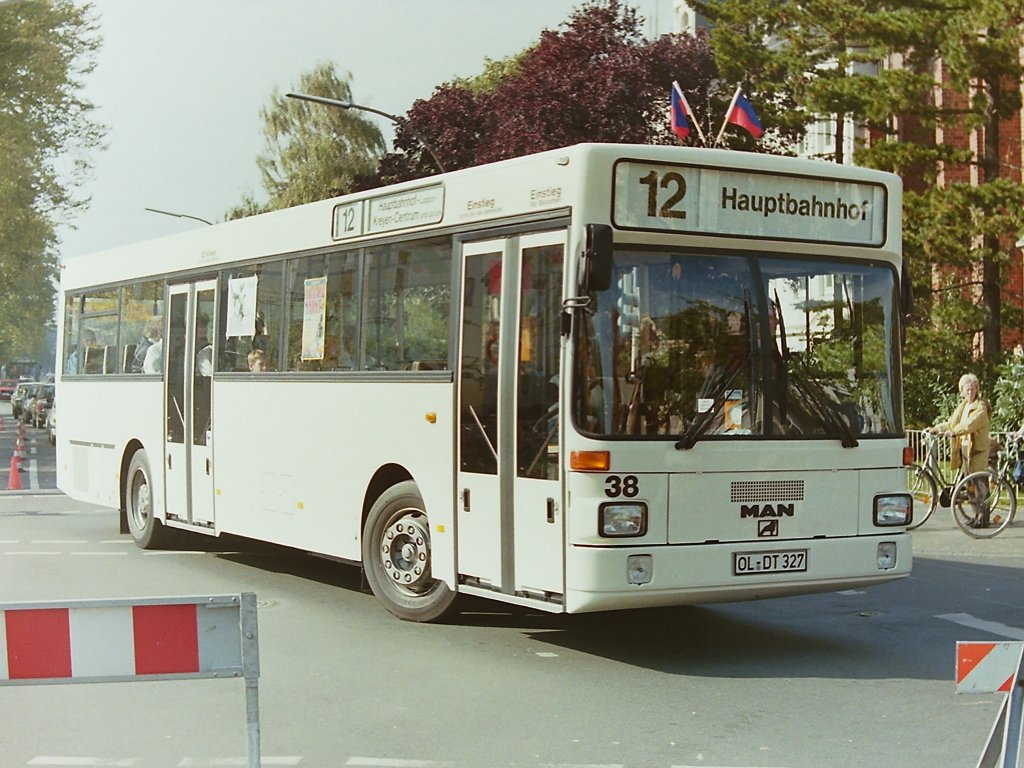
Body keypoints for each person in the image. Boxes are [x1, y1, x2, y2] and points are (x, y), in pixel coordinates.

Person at [928, 373, 991, 527]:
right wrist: (937, 428)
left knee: (979, 486)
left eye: (973, 389)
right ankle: (976, 516)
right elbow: (952, 422)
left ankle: (983, 519)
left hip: (977, 450)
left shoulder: (981, 406)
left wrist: (955, 431)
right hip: (965, 450)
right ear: (962, 391)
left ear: (977, 389)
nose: (970, 393)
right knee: (969, 486)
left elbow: (971, 423)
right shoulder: (963, 405)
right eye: (967, 390)